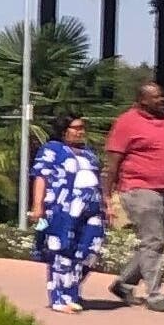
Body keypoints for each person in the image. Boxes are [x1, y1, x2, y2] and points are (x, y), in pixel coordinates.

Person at [101, 81, 164, 312]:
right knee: (153, 241)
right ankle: (155, 294)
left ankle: (124, 283)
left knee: (155, 242)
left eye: (162, 96)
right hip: (139, 189)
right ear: (142, 100)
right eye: (156, 97)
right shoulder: (126, 122)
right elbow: (113, 162)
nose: (162, 100)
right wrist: (106, 194)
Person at [29, 112, 107, 314]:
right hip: (62, 208)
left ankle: (71, 291)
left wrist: (107, 204)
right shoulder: (52, 150)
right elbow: (41, 177)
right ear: (64, 131)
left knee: (90, 250)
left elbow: (98, 180)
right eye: (76, 128)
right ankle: (59, 297)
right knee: (62, 251)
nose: (81, 132)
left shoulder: (89, 153)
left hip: (92, 209)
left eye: (83, 128)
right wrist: (38, 206)